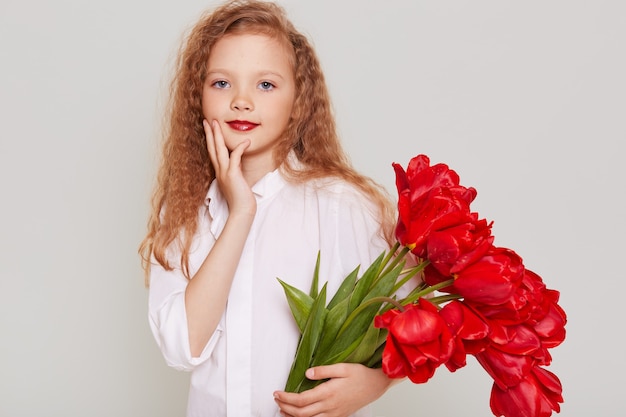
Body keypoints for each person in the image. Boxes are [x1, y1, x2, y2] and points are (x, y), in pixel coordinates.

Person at [139, 1, 400, 416]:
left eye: (266, 85)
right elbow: (181, 347)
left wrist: (376, 382)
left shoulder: (341, 205)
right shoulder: (186, 208)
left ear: (298, 100)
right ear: (198, 97)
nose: (241, 101)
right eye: (221, 83)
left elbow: (407, 324)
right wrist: (240, 213)